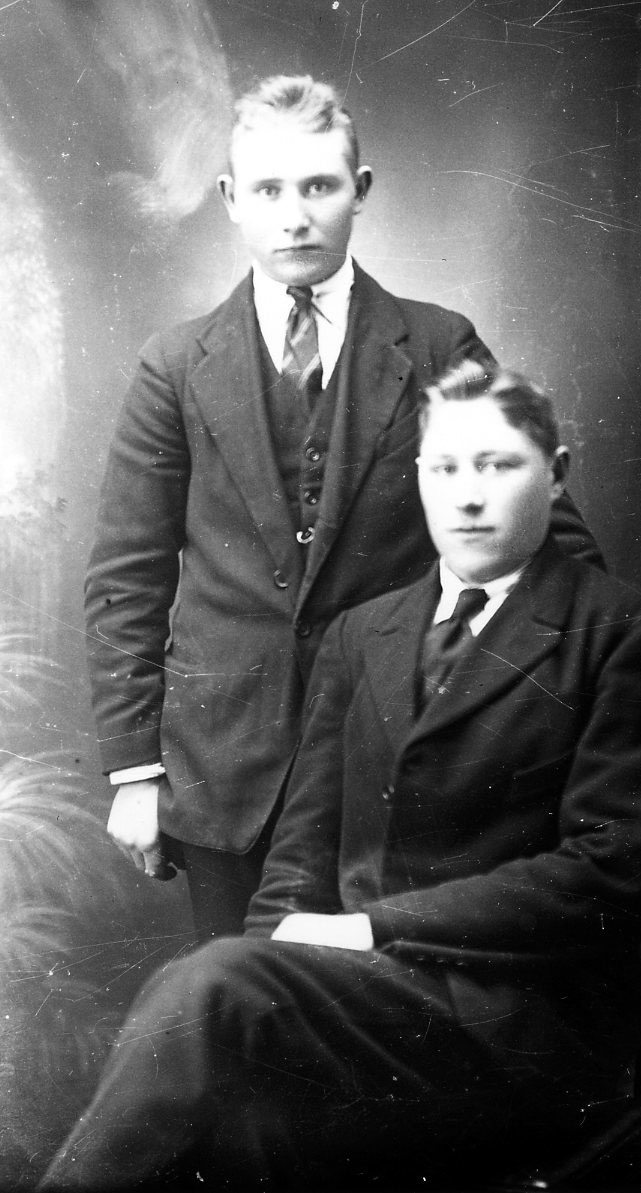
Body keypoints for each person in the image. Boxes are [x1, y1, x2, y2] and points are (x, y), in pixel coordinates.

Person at [43, 362, 641, 1190]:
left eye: (499, 465)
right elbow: (299, 856)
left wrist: (370, 929)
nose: (469, 497)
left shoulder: (631, 632)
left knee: (213, 989)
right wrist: (274, 978)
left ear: (558, 472)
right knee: (236, 1091)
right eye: (445, 468)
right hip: (361, 1009)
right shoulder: (364, 633)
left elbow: (607, 876)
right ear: (418, 476)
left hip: (516, 1025)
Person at [85, 75, 600, 940]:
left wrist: (584, 697)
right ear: (230, 200)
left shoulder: (436, 344)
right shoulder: (173, 367)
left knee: (389, 1002)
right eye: (269, 191)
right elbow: (126, 578)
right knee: (242, 1000)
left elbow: (549, 534)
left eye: (319, 186)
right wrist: (135, 771)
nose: (294, 216)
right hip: (225, 776)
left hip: (401, 754)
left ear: (359, 191)